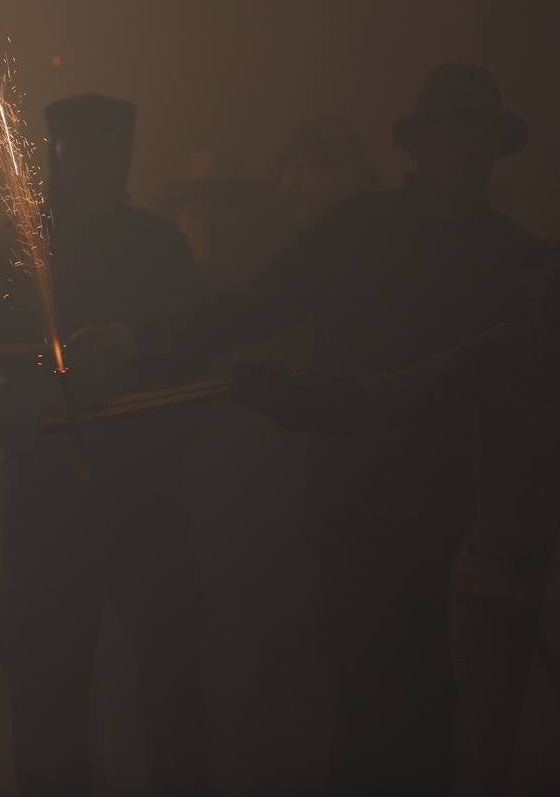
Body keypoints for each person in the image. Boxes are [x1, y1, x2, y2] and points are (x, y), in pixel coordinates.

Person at [75, 64, 541, 795]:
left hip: (463, 524)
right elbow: (252, 307)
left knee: (442, 723)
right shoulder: (362, 229)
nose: (464, 154)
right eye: (452, 136)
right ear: (422, 146)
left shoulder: (515, 260)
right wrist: (142, 341)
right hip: (359, 508)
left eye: (475, 139)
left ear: (492, 150)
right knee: (367, 712)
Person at [0, 94, 210, 796]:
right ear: (60, 157)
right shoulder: (15, 248)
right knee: (49, 680)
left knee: (170, 681)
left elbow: (197, 352)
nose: (96, 164)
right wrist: (23, 425)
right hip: (51, 498)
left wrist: (157, 433)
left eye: (106, 151)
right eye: (82, 150)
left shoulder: (157, 245)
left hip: (142, 492)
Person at [229, 244, 560, 797]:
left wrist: (291, 396)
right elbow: (388, 399)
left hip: (503, 586)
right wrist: (291, 396)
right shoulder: (506, 353)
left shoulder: (510, 352)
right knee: (495, 761)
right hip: (500, 587)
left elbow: (387, 399)